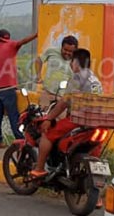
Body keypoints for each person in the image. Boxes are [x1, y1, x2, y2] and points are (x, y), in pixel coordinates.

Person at [31, 48, 102, 178]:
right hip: (94, 122)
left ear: (75, 62)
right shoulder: (94, 78)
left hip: (78, 120)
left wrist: (48, 118)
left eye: (72, 61)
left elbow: (64, 103)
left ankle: (39, 169)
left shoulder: (77, 77)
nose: (70, 64)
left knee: (47, 134)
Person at [0, 29, 37, 147]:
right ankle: (20, 140)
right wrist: (36, 34)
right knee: (13, 115)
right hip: (8, 87)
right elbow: (23, 41)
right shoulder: (11, 45)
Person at [36, 35, 78, 102]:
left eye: (70, 51)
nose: (67, 53)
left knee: (59, 112)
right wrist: (38, 75)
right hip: (46, 92)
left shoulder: (77, 61)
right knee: (42, 112)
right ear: (61, 47)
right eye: (65, 50)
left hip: (63, 98)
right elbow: (39, 60)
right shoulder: (51, 51)